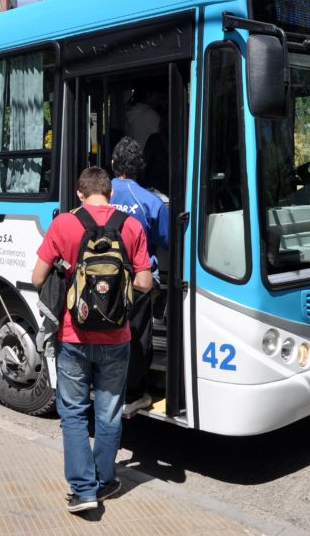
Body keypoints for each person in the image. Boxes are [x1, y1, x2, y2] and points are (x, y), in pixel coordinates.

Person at [32, 166, 152, 514]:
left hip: (74, 335)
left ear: (80, 194)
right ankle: (104, 481)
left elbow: (37, 276)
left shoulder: (64, 224)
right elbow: (144, 283)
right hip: (117, 337)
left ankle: (83, 491)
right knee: (109, 412)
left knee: (72, 413)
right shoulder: (131, 226)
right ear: (110, 193)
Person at [109, 137, 170, 417]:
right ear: (140, 169)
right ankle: (134, 394)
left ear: (112, 164)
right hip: (138, 280)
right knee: (137, 336)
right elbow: (168, 239)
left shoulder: (101, 194)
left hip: (103, 278)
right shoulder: (151, 202)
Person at [125, 79, 165, 147]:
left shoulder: (131, 112)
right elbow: (165, 139)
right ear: (148, 94)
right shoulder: (150, 114)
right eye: (158, 97)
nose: (159, 101)